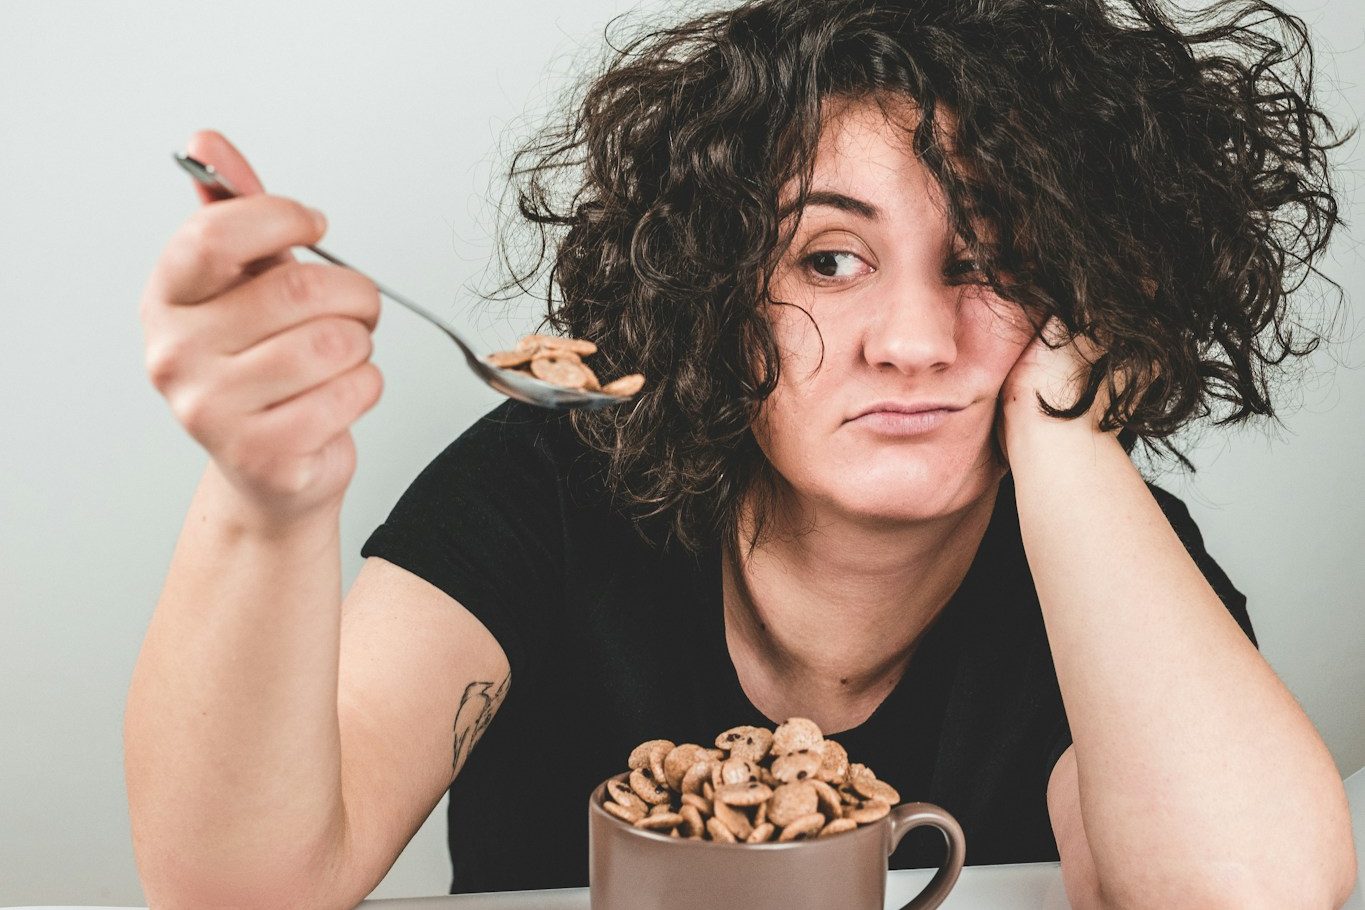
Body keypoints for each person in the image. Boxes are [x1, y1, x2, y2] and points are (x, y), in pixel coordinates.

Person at [125, 0, 1359, 907]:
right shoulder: (545, 484)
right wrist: (262, 501)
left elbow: (1249, 897)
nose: (918, 342)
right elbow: (243, 891)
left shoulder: (1103, 559)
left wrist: (1074, 427)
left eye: (994, 261)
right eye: (829, 258)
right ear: (718, 289)